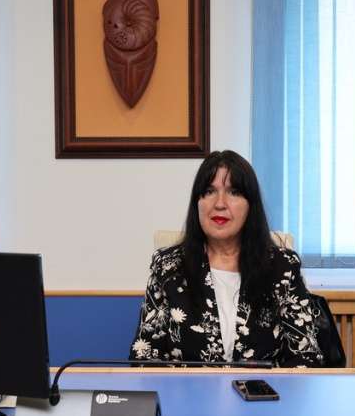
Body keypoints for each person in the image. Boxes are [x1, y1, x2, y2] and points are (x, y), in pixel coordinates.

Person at [130, 150, 326, 367]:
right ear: (197, 203)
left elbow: (305, 357)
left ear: (250, 205)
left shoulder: (282, 267)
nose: (220, 203)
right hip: (187, 389)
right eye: (209, 191)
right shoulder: (168, 267)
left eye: (234, 192)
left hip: (264, 389)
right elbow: (144, 358)